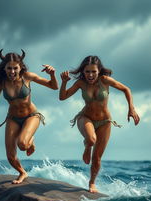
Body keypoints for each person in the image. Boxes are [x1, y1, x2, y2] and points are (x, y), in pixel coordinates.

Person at [0, 49, 58, 184]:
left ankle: (30, 140)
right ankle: (22, 172)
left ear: (20, 67)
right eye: (9, 68)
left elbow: (54, 87)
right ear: (4, 68)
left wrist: (52, 75)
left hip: (32, 115)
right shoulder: (2, 82)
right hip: (12, 118)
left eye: (15, 68)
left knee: (23, 145)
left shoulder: (28, 77)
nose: (12, 71)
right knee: (10, 156)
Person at [59, 55, 140, 193]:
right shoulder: (80, 83)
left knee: (96, 158)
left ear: (99, 71)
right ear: (83, 72)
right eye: (87, 72)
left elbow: (126, 89)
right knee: (91, 139)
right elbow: (63, 97)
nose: (90, 75)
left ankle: (92, 183)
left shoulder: (105, 80)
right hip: (86, 117)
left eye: (93, 72)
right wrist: (64, 82)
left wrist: (131, 108)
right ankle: (87, 145)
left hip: (105, 122)